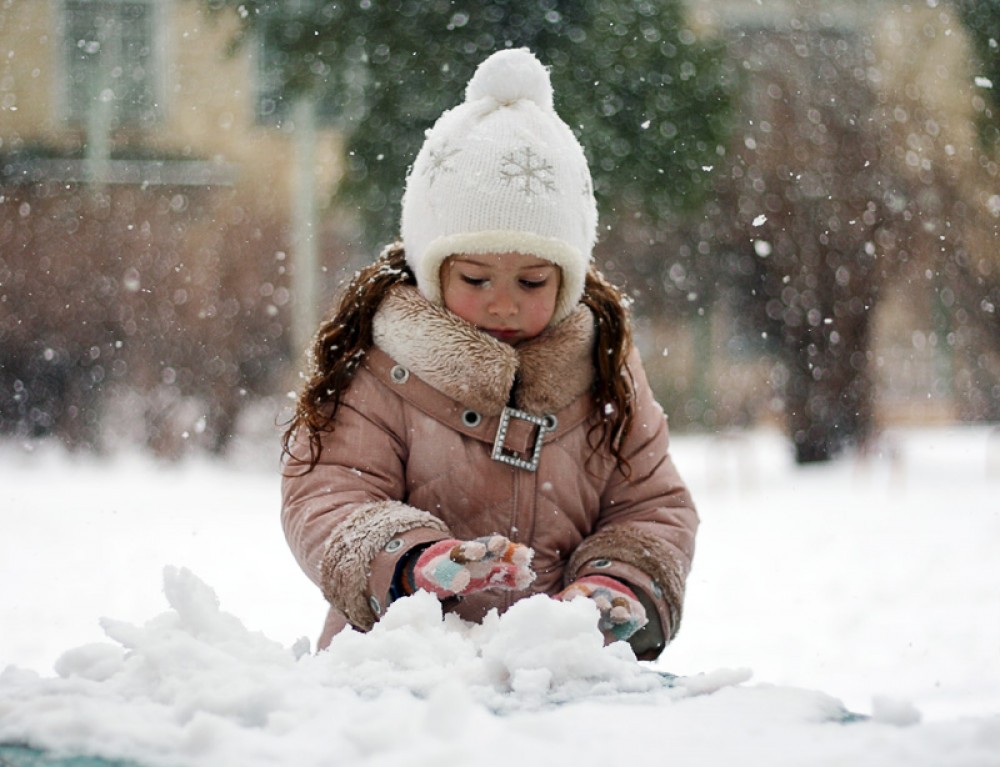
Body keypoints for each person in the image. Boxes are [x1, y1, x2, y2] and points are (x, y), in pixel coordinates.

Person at [281, 48, 698, 660]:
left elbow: (651, 504)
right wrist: (414, 563)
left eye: (532, 283)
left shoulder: (604, 375)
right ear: (432, 269)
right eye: (476, 279)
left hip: (553, 679)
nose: (503, 305)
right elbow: (328, 493)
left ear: (569, 280)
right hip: (396, 674)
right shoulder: (379, 370)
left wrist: (614, 586)